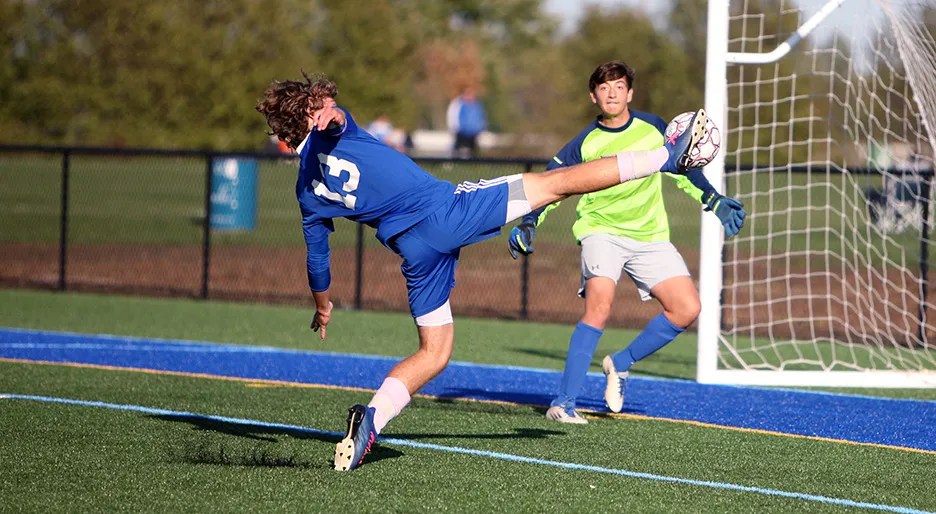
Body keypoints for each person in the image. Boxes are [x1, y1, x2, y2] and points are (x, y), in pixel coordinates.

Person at [255, 70, 714, 471]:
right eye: (321, 101)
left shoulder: (305, 190)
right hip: (446, 213)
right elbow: (335, 120)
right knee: (556, 184)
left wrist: (323, 305)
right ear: (309, 113)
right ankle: (665, 158)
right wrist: (333, 117)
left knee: (435, 351)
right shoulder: (338, 127)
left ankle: (371, 419)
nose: (331, 102)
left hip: (414, 250)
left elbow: (317, 260)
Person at [506, 61, 746, 424]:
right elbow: (551, 184)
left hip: (650, 235)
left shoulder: (654, 128)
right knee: (599, 307)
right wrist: (529, 221)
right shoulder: (584, 142)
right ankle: (564, 403)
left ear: (630, 93)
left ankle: (620, 363)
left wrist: (712, 199)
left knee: (687, 308)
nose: (612, 93)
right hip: (600, 231)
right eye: (604, 88)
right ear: (593, 96)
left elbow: (683, 169)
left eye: (619, 86)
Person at [446, 86, 487, 158]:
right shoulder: (457, 104)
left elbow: (481, 117)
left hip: (473, 134)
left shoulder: (477, 105)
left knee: (473, 153)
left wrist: (481, 129)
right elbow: (452, 117)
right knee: (457, 151)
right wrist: (454, 129)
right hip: (461, 133)